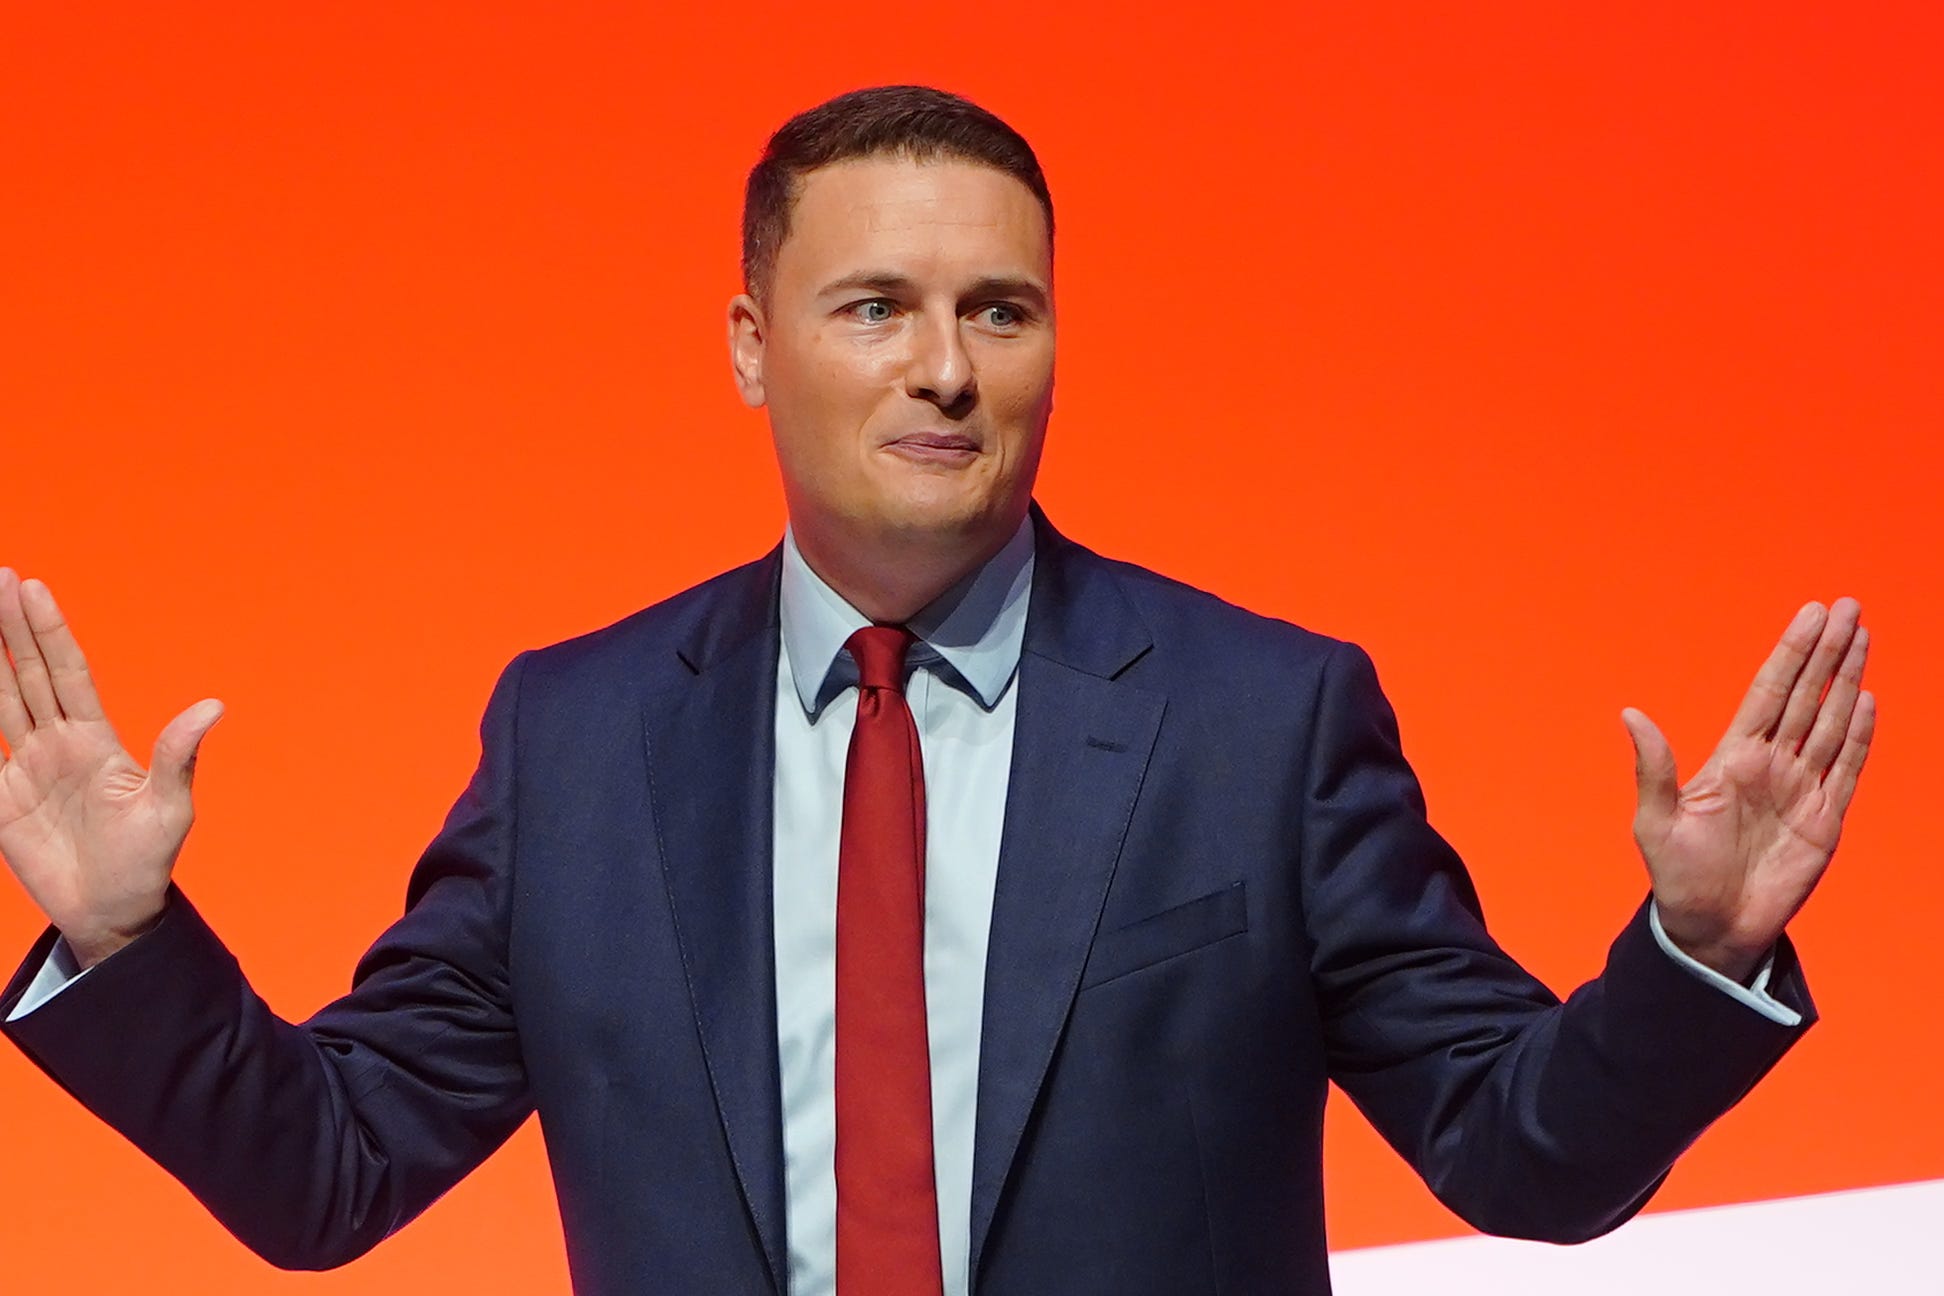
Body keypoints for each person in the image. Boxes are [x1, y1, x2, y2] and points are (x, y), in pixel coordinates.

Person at [0, 85, 1874, 1296]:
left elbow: (1518, 1154)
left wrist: (1695, 952)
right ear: (752, 349)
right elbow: (329, 1171)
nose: (946, 371)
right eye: (874, 307)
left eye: (1000, 309)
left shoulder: (1262, 717)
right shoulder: (574, 740)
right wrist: (123, 938)